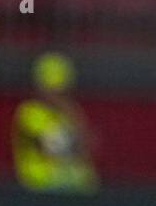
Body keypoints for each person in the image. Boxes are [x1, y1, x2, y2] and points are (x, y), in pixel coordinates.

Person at [12, 52, 99, 193]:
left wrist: (74, 116)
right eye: (51, 88)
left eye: (60, 89)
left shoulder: (71, 112)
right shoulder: (31, 111)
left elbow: (88, 145)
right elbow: (54, 147)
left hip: (74, 186)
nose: (56, 94)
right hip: (42, 185)